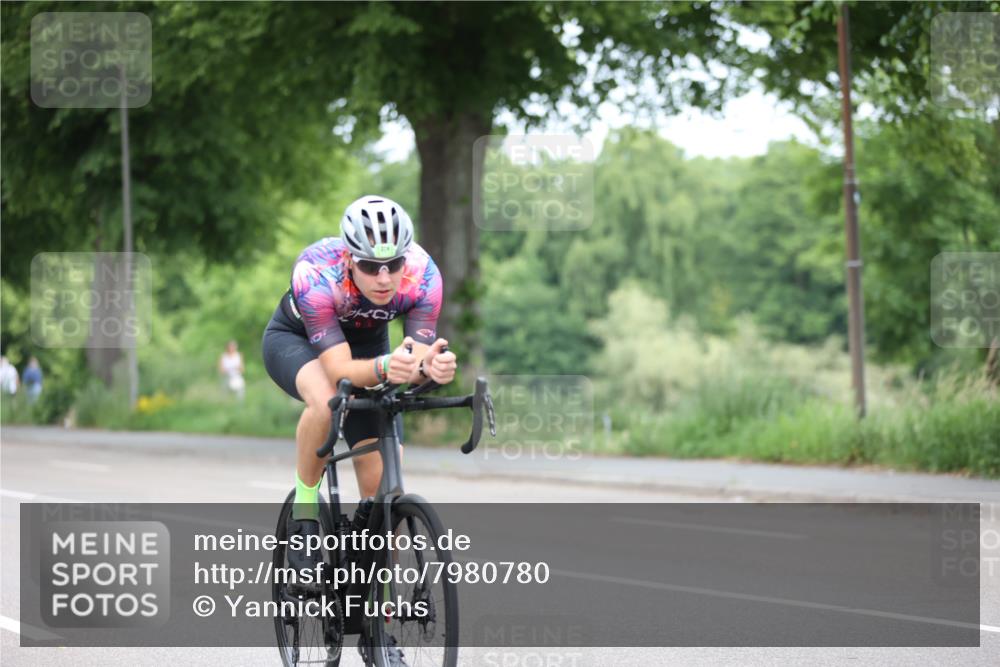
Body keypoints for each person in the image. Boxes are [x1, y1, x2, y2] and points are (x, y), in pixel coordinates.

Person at [261, 196, 456, 573]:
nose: (384, 279)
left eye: (393, 265)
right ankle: (304, 513)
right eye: (370, 266)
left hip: (370, 347)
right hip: (298, 341)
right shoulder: (315, 273)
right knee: (328, 399)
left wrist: (430, 368)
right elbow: (340, 372)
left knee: (384, 480)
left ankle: (377, 603)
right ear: (350, 258)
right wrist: (389, 367)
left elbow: (416, 358)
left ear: (405, 258)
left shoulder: (424, 275)